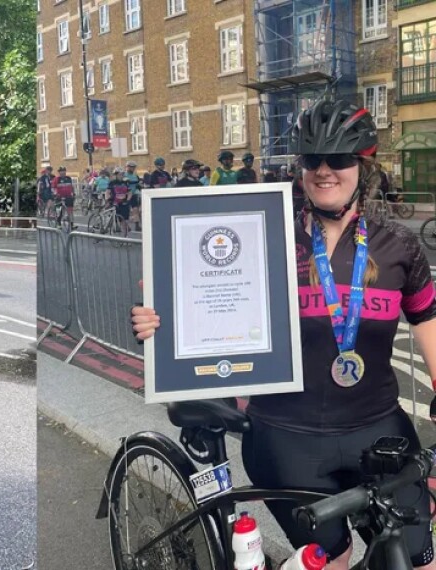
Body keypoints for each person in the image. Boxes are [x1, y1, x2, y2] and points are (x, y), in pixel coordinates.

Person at [132, 98, 436, 570]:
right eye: (312, 159)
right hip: (286, 438)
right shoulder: (264, 235)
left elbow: (428, 325)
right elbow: (206, 299)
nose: (324, 171)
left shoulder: (399, 246)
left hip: (379, 431)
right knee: (331, 560)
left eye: (338, 160)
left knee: (418, 560)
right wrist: (160, 324)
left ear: (363, 166)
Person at [107, 167, 130, 235]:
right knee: (115, 217)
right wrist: (107, 200)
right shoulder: (112, 183)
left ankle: (125, 236)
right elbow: (107, 192)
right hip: (115, 202)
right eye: (120, 174)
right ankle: (109, 225)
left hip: (123, 203)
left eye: (122, 174)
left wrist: (128, 200)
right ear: (116, 175)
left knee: (124, 219)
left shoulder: (125, 183)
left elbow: (130, 192)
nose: (121, 176)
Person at [123, 161, 142, 231]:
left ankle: (137, 225)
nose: (132, 169)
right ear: (127, 167)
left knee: (135, 210)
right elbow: (126, 182)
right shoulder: (124, 175)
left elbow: (138, 184)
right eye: (131, 167)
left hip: (133, 194)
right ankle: (126, 225)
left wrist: (140, 186)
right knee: (126, 211)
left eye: (133, 167)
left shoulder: (135, 175)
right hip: (125, 195)